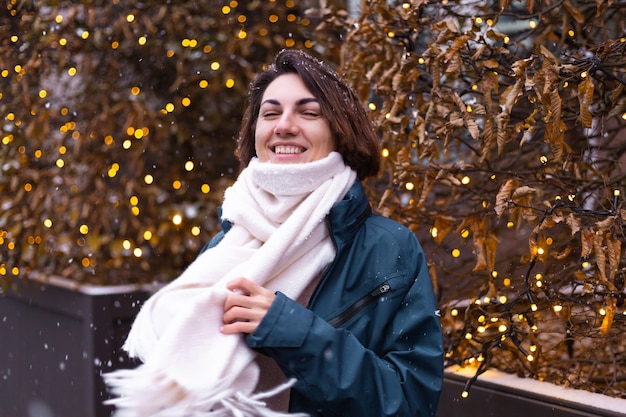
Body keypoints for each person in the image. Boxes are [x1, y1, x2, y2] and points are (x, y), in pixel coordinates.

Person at [105, 49, 443, 417]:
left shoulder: (389, 249)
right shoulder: (228, 241)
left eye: (309, 112)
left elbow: (409, 402)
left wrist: (293, 331)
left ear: (340, 133)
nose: (284, 125)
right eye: (270, 113)